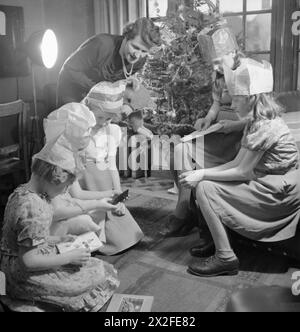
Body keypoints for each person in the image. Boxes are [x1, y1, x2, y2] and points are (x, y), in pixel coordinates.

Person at [180, 58, 300, 277]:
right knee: (205, 181)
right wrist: (200, 173)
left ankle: (225, 257)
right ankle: (215, 239)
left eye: (236, 98)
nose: (232, 105)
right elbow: (237, 163)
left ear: (252, 98)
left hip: (278, 189)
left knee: (205, 188)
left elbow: (243, 171)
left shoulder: (265, 126)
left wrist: (202, 175)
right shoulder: (257, 119)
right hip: (267, 178)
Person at [0, 139, 119, 312]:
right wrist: (69, 258)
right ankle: (21, 297)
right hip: (20, 273)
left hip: (13, 259)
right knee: (96, 274)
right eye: (66, 186)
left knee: (94, 266)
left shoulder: (22, 192)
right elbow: (28, 261)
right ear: (55, 178)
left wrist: (57, 239)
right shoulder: (34, 208)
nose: (65, 191)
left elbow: (27, 238)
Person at [164, 23, 248, 238]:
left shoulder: (248, 73)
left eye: (219, 61)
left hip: (240, 134)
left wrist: (234, 126)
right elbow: (216, 105)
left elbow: (257, 117)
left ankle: (185, 213)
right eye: (213, 63)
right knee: (181, 149)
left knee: (183, 150)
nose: (217, 67)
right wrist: (207, 118)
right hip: (219, 131)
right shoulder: (219, 76)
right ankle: (184, 206)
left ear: (233, 52)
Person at [43, 103, 122, 239]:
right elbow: (57, 210)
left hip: (68, 206)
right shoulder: (58, 164)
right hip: (56, 218)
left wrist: (110, 195)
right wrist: (100, 201)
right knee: (86, 220)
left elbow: (77, 193)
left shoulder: (68, 157)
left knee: (96, 213)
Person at [57, 17, 161, 107]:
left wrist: (126, 84)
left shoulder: (140, 60)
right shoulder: (102, 44)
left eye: (144, 51)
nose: (137, 55)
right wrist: (100, 90)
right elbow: (69, 69)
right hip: (73, 94)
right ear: (126, 36)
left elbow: (114, 83)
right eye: (135, 47)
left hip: (100, 101)